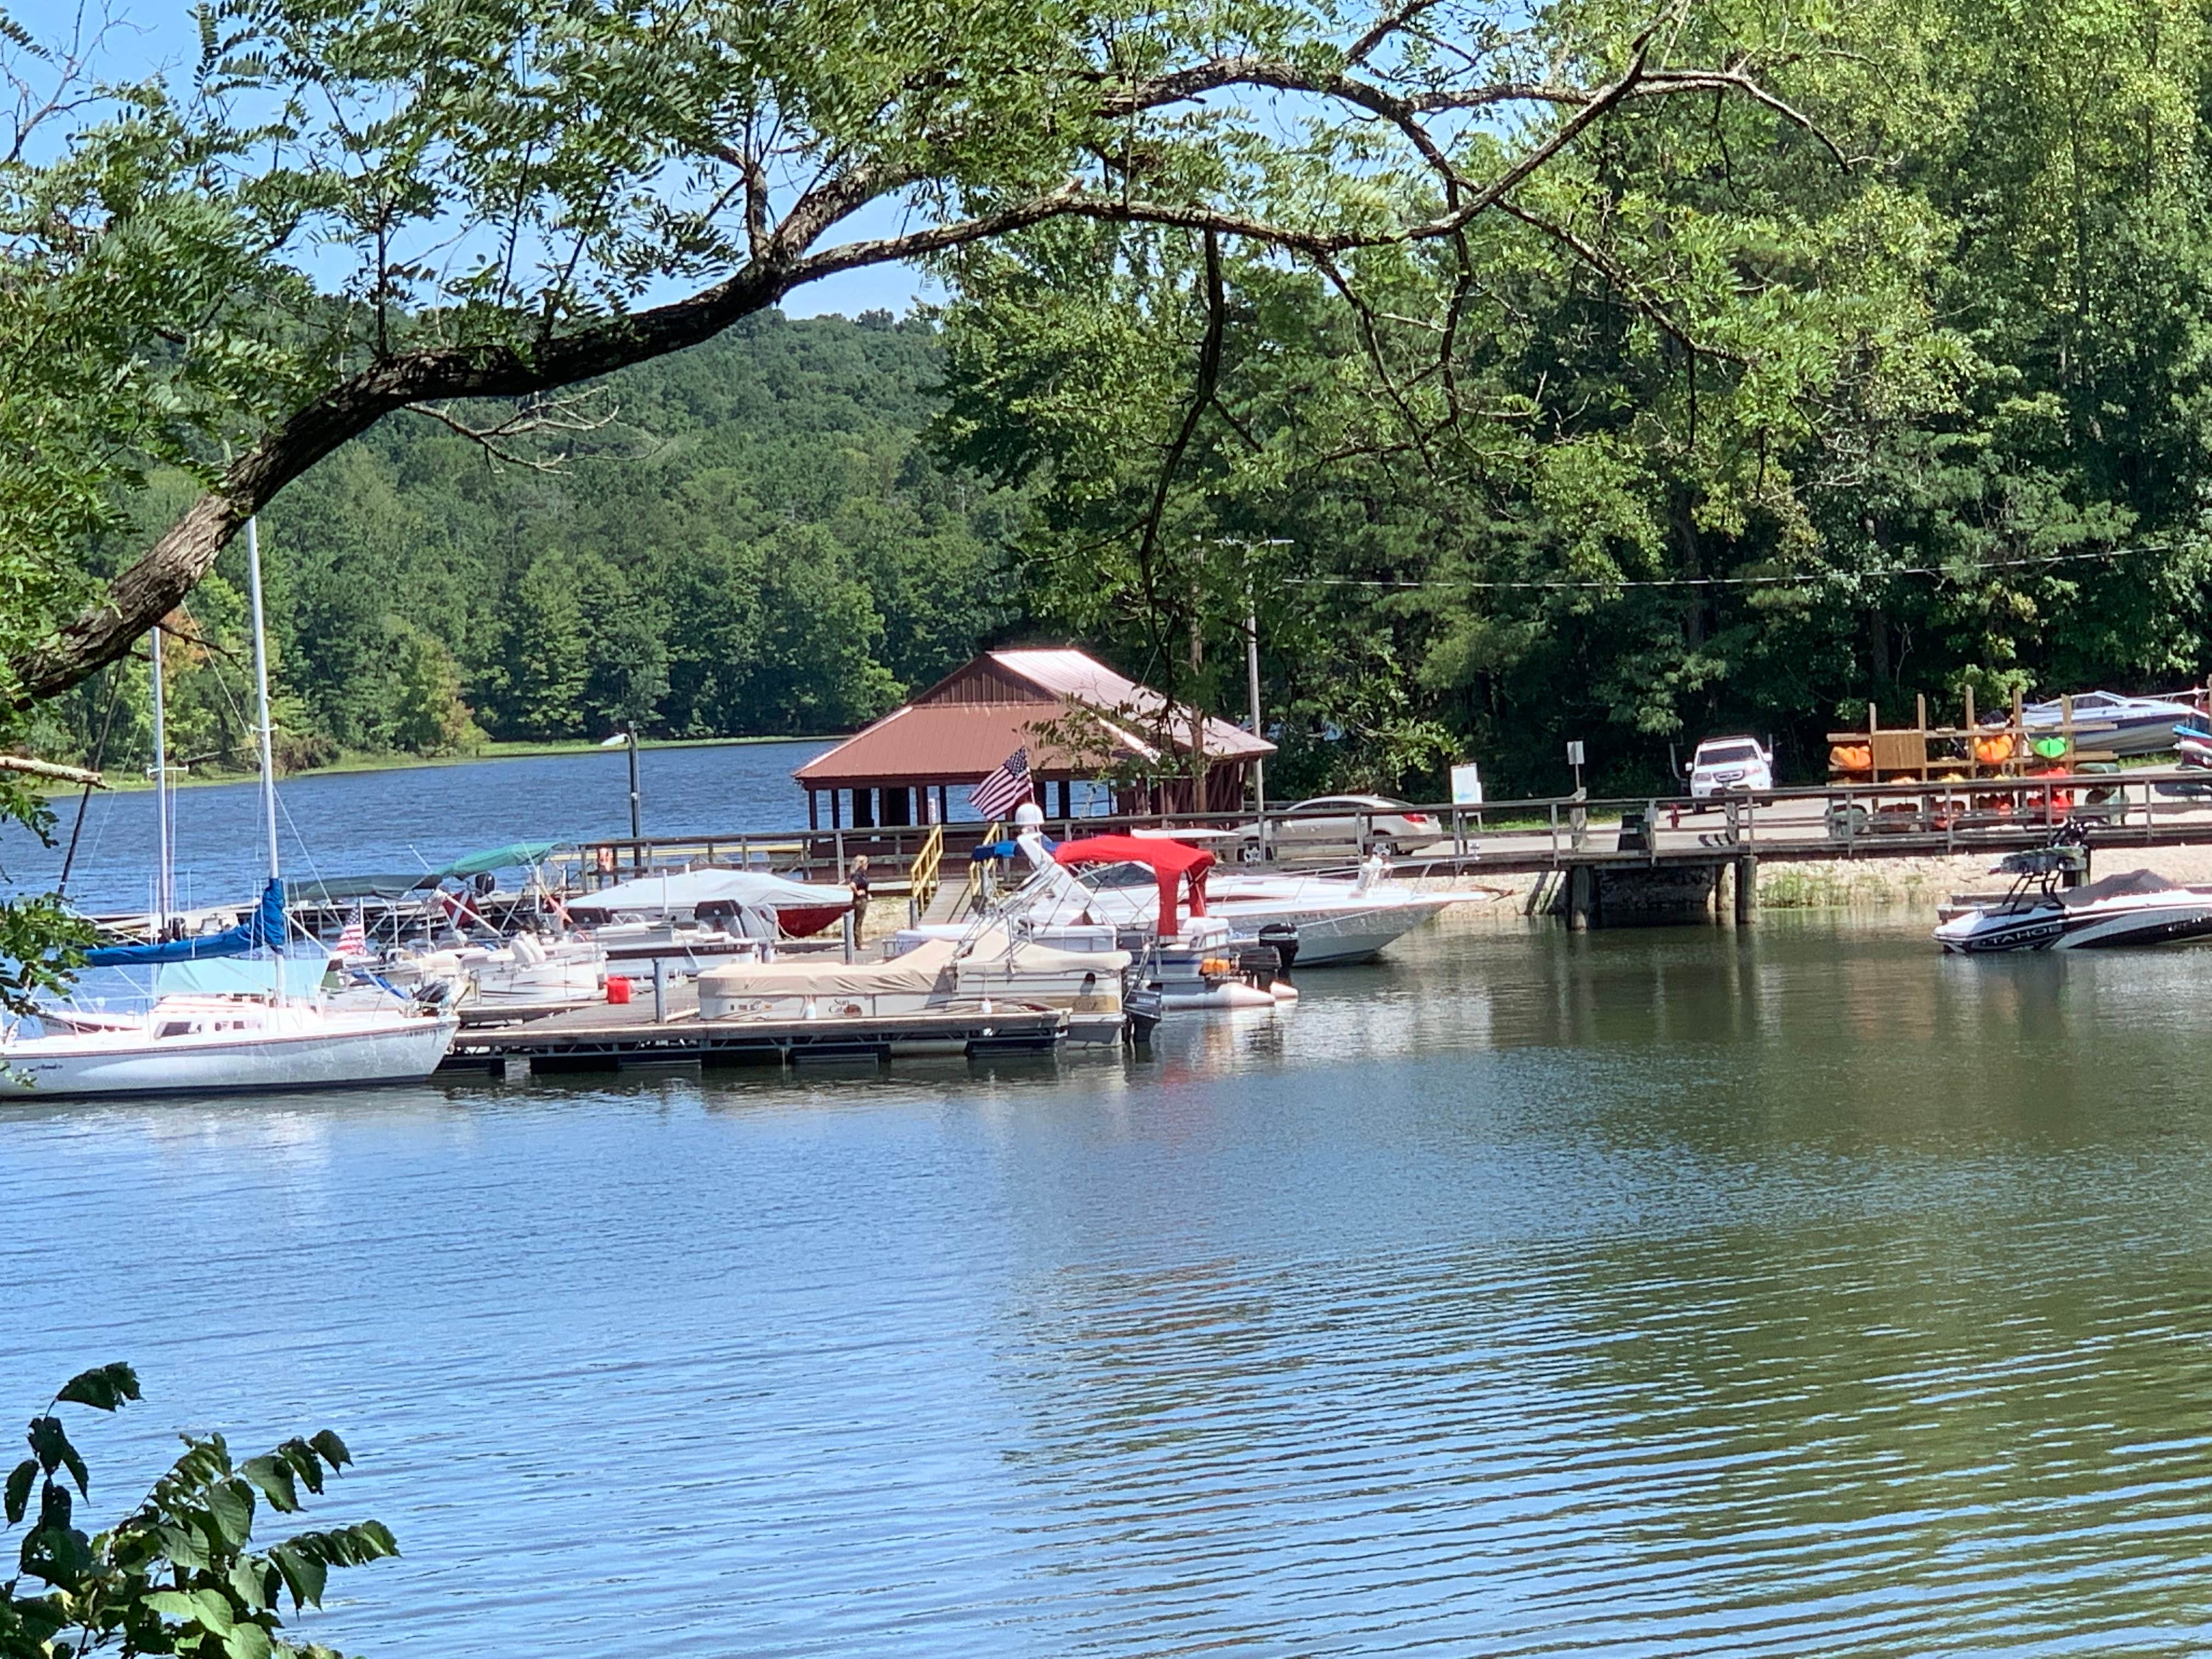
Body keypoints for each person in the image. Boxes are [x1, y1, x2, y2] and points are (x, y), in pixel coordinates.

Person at [848, 855, 871, 934]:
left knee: (860, 921)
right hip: (860, 900)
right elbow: (852, 885)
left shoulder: (862, 874)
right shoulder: (858, 875)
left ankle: (860, 942)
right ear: (862, 864)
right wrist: (858, 892)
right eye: (866, 863)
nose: (867, 865)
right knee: (858, 922)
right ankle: (859, 944)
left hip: (863, 899)